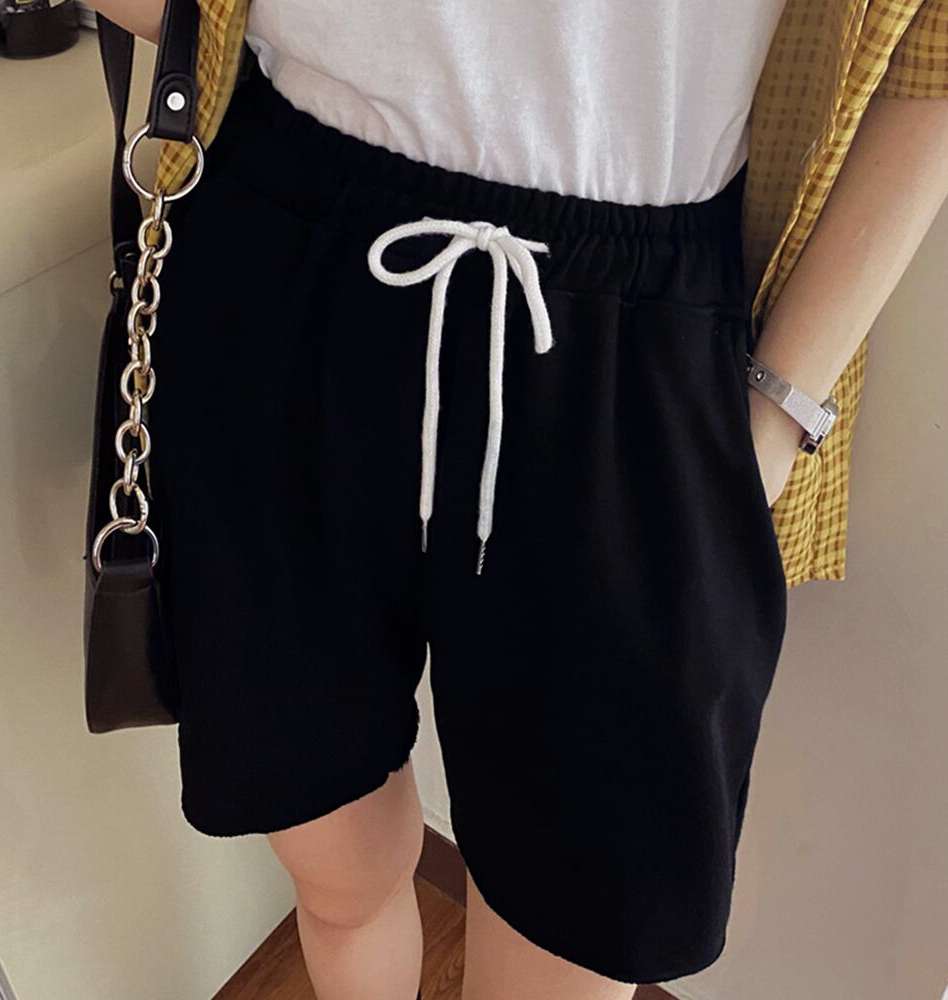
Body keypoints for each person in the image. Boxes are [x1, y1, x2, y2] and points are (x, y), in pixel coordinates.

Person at [91, 1, 948, 997]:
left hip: (636, 341)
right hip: (286, 250)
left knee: (575, 930)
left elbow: (931, 60)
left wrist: (776, 414)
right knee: (334, 864)